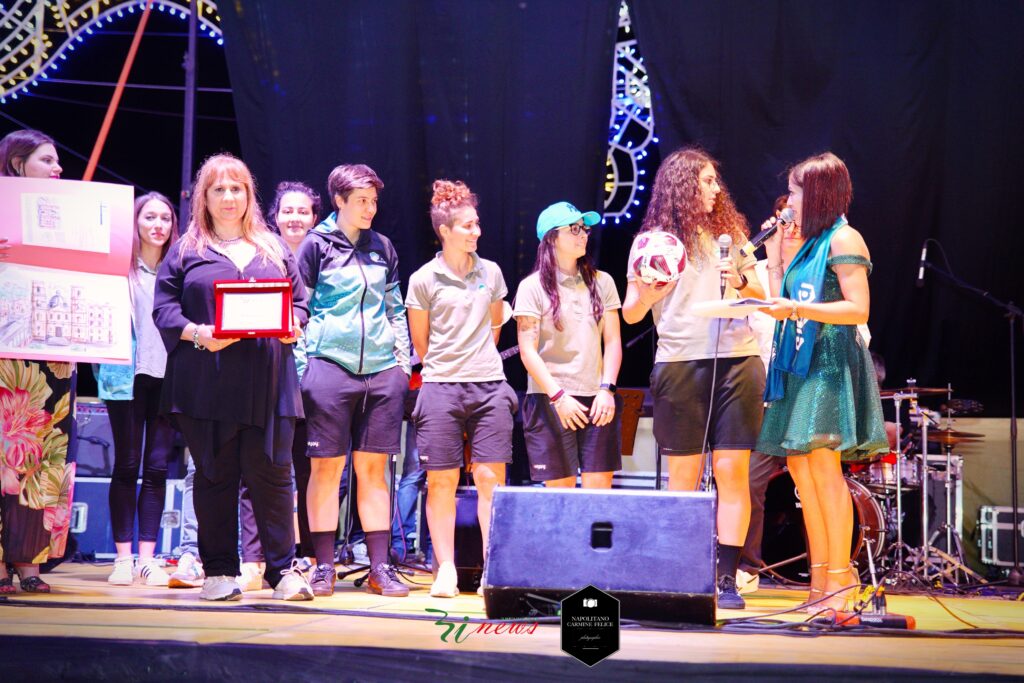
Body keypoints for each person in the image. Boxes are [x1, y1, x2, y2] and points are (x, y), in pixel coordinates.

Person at [153, 153, 313, 602]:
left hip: (267, 382)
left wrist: (294, 323)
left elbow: (298, 303)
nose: (228, 197)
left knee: (275, 476)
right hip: (207, 383)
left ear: (250, 196)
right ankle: (219, 572)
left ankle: (283, 572)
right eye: (218, 189)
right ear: (203, 197)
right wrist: (198, 333)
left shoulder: (274, 248)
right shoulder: (186, 250)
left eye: (237, 188)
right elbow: (164, 309)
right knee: (214, 476)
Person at [621, 147, 765, 610]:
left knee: (731, 472)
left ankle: (726, 577)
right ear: (683, 186)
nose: (715, 188)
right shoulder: (653, 243)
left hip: (738, 360)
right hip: (682, 362)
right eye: (706, 181)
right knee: (685, 473)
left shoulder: (735, 234)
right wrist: (647, 292)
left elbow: (761, 295)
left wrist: (741, 281)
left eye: (714, 181)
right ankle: (678, 572)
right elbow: (631, 314)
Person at [756, 152, 888, 613]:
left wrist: (796, 309)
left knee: (825, 470)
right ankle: (818, 585)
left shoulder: (844, 237)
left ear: (815, 193)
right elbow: (784, 302)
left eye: (794, 191)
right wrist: (774, 261)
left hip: (830, 363)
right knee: (800, 471)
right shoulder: (808, 243)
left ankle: (841, 581)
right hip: (800, 360)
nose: (788, 200)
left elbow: (858, 310)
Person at [298, 164, 411, 597]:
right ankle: (323, 566)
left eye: (374, 200)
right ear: (339, 201)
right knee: (326, 469)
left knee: (373, 470)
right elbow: (299, 312)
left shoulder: (383, 246)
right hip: (329, 367)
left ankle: (379, 569)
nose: (370, 208)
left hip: (383, 373)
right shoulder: (314, 246)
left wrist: (401, 364)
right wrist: (302, 369)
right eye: (361, 200)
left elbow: (394, 307)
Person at [406, 180, 516, 598]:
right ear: (445, 231)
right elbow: (422, 343)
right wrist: (452, 365)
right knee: (441, 481)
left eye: (477, 224)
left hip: (489, 386)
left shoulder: (491, 272)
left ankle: (493, 568)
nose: (476, 232)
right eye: (467, 226)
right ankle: (447, 568)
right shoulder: (423, 279)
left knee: (490, 478)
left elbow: (493, 326)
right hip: (440, 387)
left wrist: (476, 361)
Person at [233, 180, 324, 591]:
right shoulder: (263, 250)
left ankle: (304, 557)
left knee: (306, 473)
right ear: (275, 215)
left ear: (315, 216)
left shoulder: (329, 251)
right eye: (288, 210)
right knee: (259, 464)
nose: (295, 218)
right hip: (269, 373)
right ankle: (253, 558)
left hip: (317, 377)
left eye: (303, 211)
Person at [0, 129, 74, 595]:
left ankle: (29, 561)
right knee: (4, 456)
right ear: (17, 164)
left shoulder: (71, 217)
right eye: (47, 160)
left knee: (45, 457)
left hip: (55, 351)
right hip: (7, 352)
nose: (57, 168)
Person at [95, 192, 179, 586]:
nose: (158, 224)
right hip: (124, 377)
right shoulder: (117, 269)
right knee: (127, 466)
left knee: (158, 468)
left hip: (167, 377)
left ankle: (149, 556)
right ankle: (123, 557)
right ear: (136, 222)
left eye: (165, 218)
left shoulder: (177, 269)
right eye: (150, 217)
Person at [514, 201, 623, 489]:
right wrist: (558, 397)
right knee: (560, 501)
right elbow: (527, 350)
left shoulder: (603, 282)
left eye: (584, 228)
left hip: (596, 398)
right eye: (574, 229)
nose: (583, 234)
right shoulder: (531, 287)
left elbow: (613, 342)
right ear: (551, 237)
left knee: (598, 500)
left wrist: (607, 389)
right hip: (551, 399)